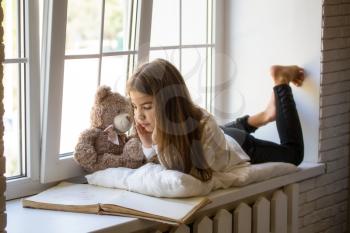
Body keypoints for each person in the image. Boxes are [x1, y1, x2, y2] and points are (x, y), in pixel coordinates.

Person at [126, 58, 304, 182]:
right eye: (135, 106)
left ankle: (280, 81)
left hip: (238, 145)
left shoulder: (204, 124)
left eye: (147, 107)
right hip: (218, 136)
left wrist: (155, 143)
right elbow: (159, 168)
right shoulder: (171, 123)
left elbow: (194, 173)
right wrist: (148, 144)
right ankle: (266, 115)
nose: (139, 115)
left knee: (294, 154)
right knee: (219, 131)